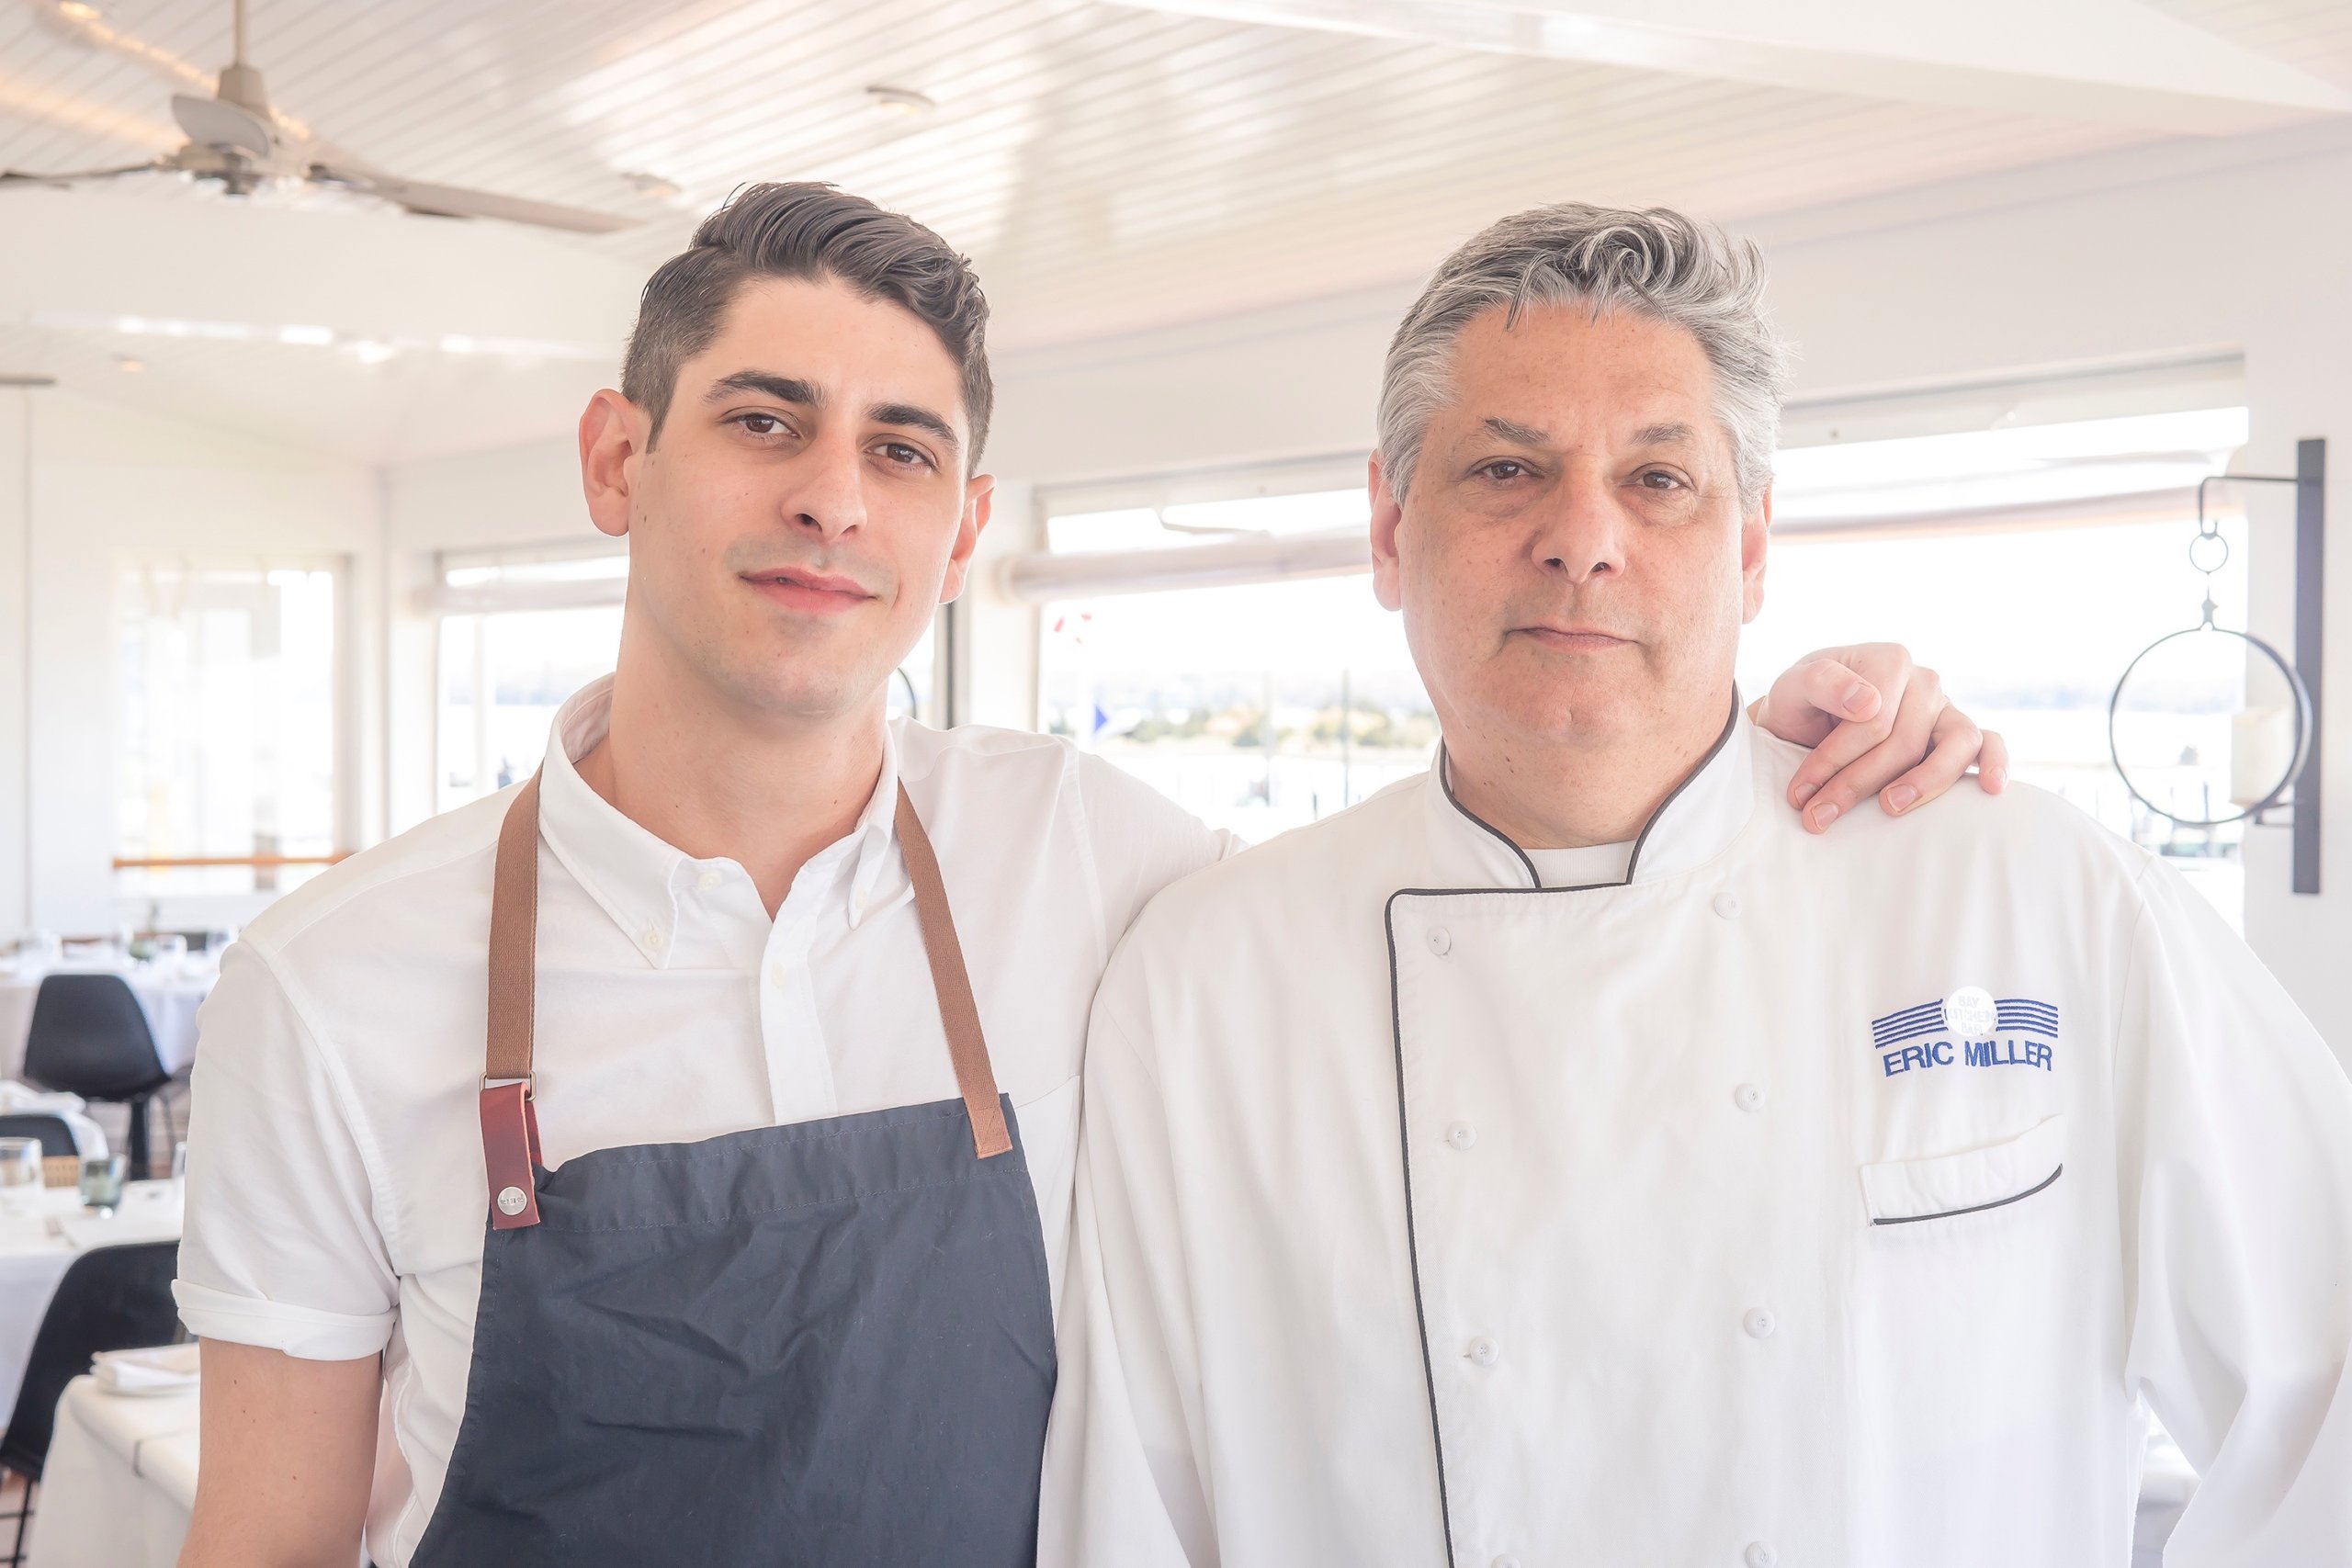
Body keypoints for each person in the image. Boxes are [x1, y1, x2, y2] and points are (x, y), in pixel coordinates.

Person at [170, 184, 1995, 1568]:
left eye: (901, 449)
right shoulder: (331, 987)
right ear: (615, 455)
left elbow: (1515, 883)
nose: (831, 497)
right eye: (760, 420)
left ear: (961, 530)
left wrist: (1783, 740)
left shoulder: (1102, 863)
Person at [1039, 201, 2352, 1568]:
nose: (1582, 539)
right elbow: (1133, 1519)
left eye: (1659, 480)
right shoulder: (1209, 987)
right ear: (1387, 525)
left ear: (1752, 545)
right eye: (1505, 469)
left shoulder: (2029, 895)